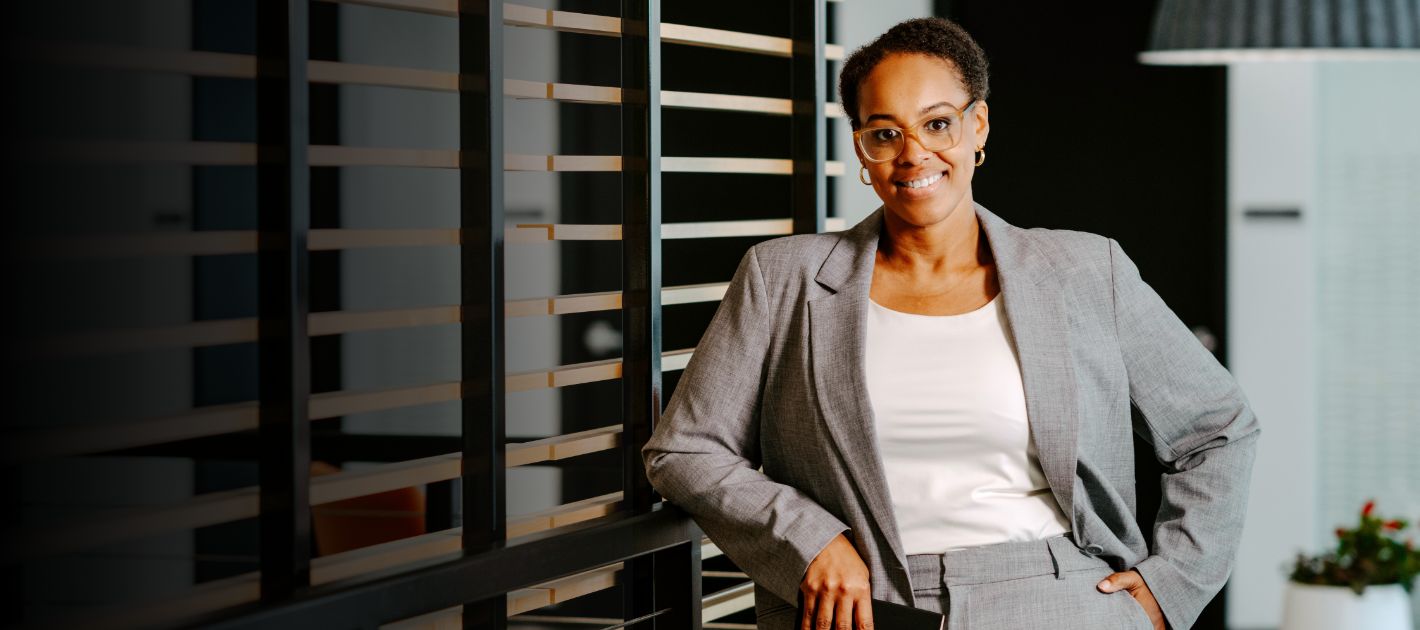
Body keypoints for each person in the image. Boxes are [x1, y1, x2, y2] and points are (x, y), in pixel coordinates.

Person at [642, 16, 1258, 630]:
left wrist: (1169, 586)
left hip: (1058, 601)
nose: (914, 154)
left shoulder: (1086, 270)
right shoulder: (784, 279)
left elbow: (1217, 428)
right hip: (860, 610)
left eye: (938, 123)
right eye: (885, 133)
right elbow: (685, 449)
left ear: (977, 126)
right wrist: (808, 541)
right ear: (860, 145)